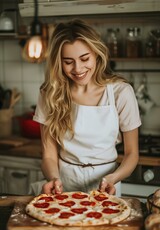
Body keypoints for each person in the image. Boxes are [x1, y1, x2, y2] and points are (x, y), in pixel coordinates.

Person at [33, 19, 141, 197]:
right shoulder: (50, 94)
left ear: (97, 54)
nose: (78, 68)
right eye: (68, 61)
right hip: (64, 182)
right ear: (58, 63)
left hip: (107, 183)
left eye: (85, 59)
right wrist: (53, 178)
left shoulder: (121, 92)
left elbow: (132, 154)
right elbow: (49, 156)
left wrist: (113, 178)